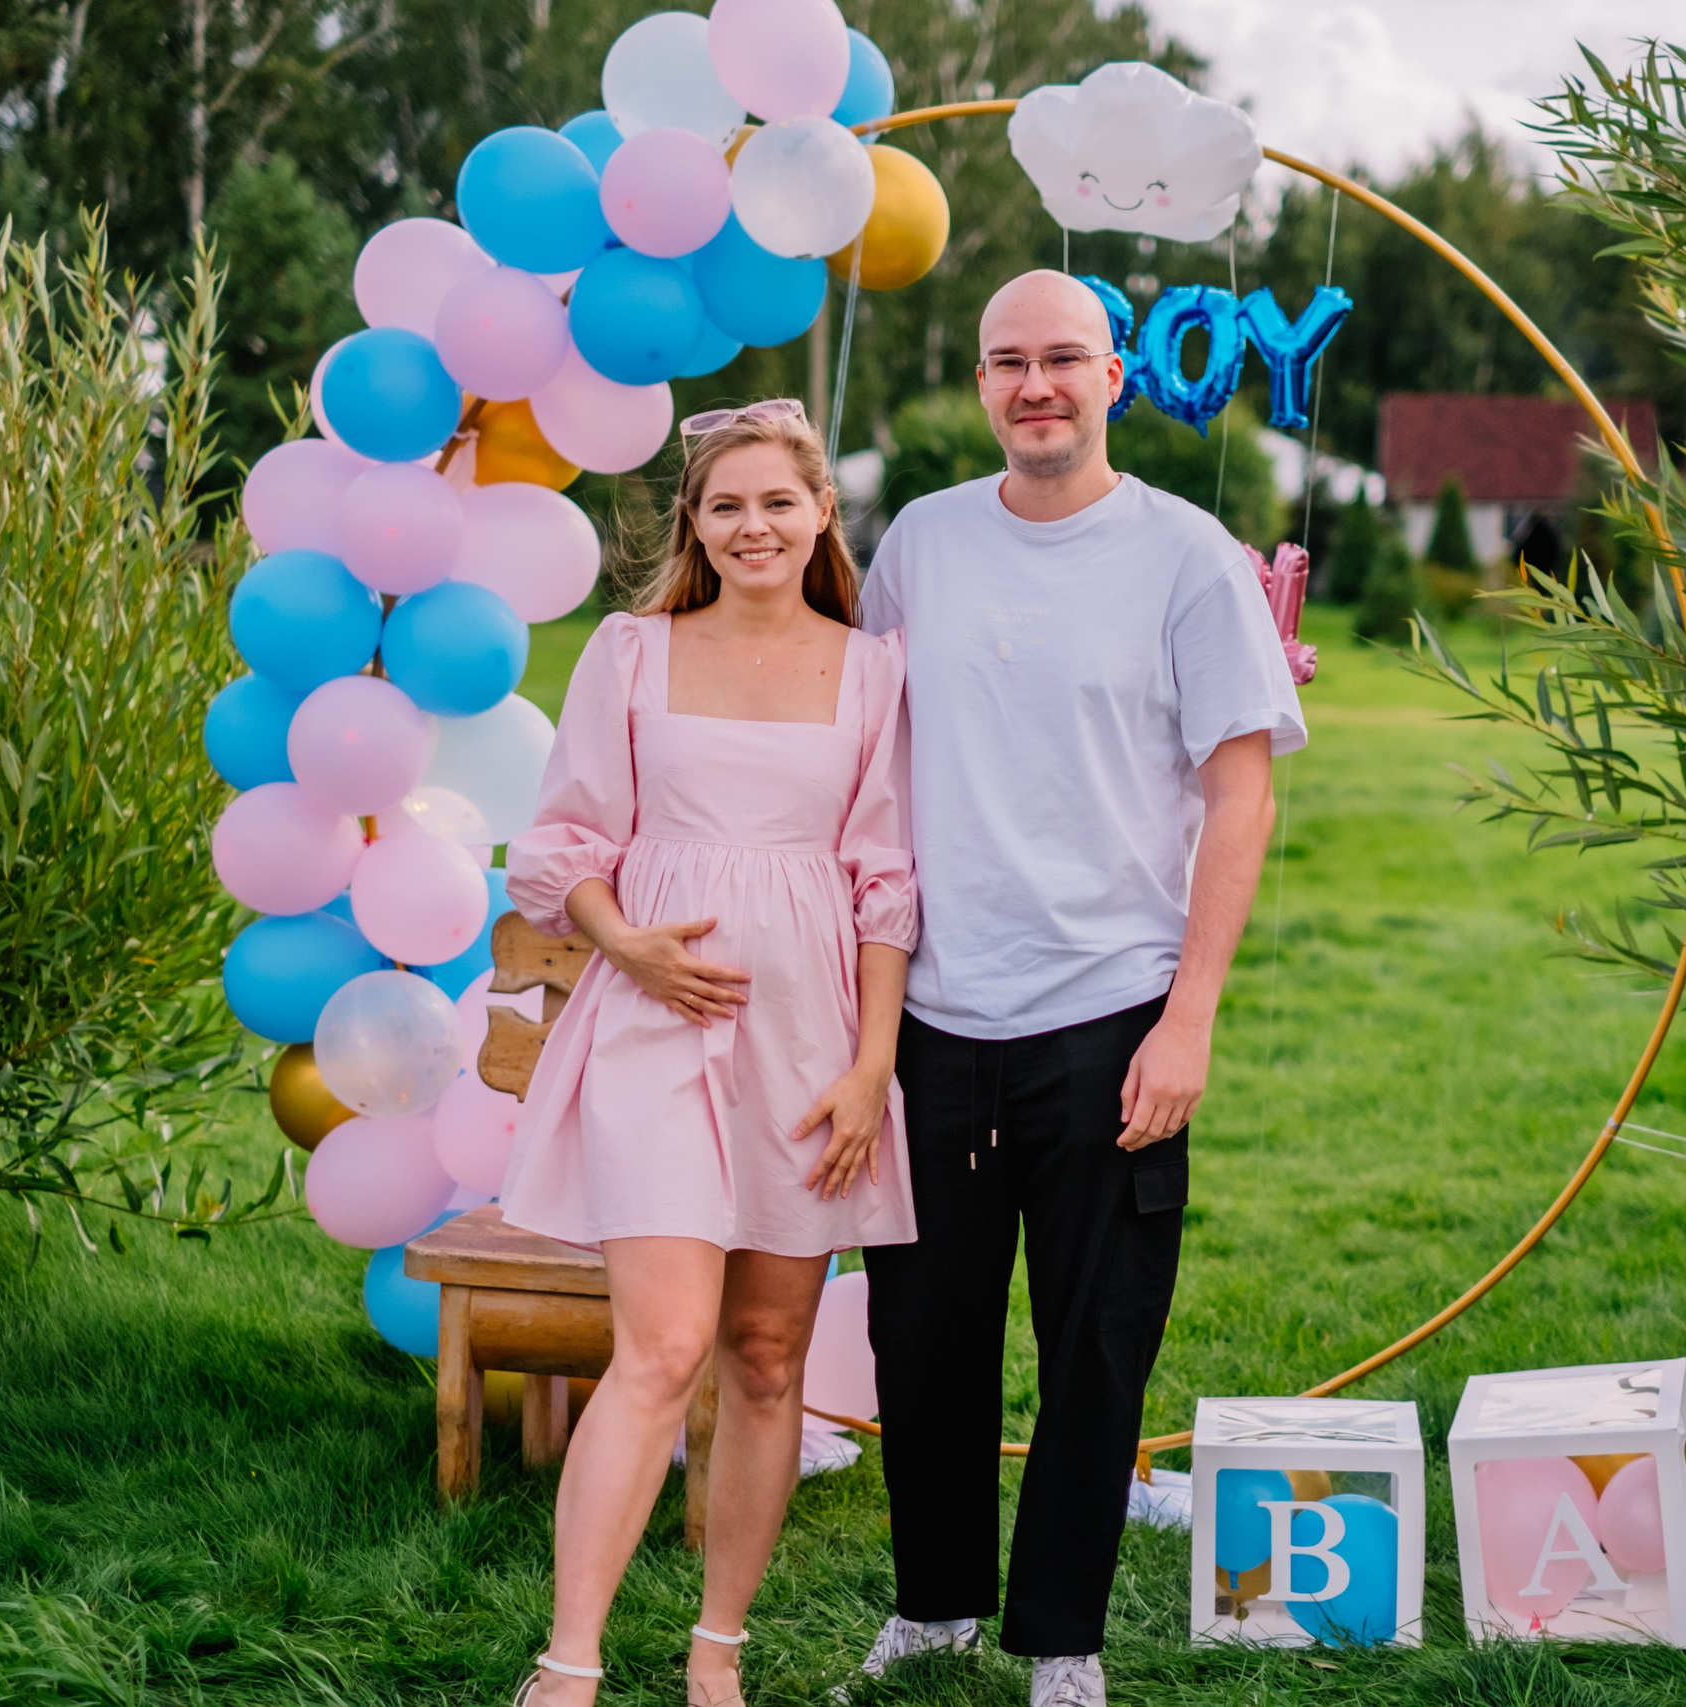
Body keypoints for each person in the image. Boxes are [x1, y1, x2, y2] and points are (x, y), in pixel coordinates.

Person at [854, 272, 1307, 1707]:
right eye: (1007, 363)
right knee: (919, 1339)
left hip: (1114, 1013)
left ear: (1116, 373)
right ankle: (931, 1610)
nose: (1034, 385)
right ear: (983, 384)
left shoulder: (1183, 558)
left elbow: (1241, 796)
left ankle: (1063, 1641)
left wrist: (1190, 1017)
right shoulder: (921, 543)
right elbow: (862, 759)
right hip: (934, 1016)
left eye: (1063, 358)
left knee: (1097, 1349)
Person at [498, 399, 919, 1707]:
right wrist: (628, 946)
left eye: (778, 502)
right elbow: (561, 852)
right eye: (726, 505)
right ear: (695, 523)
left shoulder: (872, 672)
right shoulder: (631, 654)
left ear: (820, 517)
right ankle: (569, 1663)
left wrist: (868, 1070)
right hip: (655, 1032)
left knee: (767, 1356)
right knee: (666, 1344)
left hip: (808, 1046)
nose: (754, 525)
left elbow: (888, 880)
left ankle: (715, 1653)